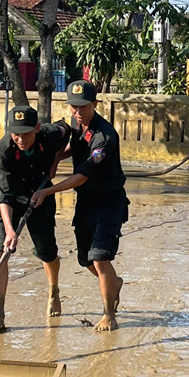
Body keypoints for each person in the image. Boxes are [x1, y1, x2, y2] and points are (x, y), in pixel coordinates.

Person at [34, 81, 127, 332]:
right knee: (85, 260)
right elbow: (71, 147)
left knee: (99, 257)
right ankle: (114, 282)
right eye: (74, 107)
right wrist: (54, 159)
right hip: (85, 203)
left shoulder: (105, 137)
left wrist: (48, 190)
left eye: (83, 107)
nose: (78, 112)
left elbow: (83, 175)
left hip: (108, 202)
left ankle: (109, 315)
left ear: (95, 104)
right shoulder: (77, 124)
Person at [0, 106, 71, 332]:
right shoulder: (2, 152)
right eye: (16, 133)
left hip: (40, 197)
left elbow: (67, 128)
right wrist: (10, 231)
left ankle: (54, 290)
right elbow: (3, 197)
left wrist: (55, 161)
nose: (21, 139)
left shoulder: (51, 134)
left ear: (37, 128)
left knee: (48, 252)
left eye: (26, 133)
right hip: (8, 202)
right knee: (1, 252)